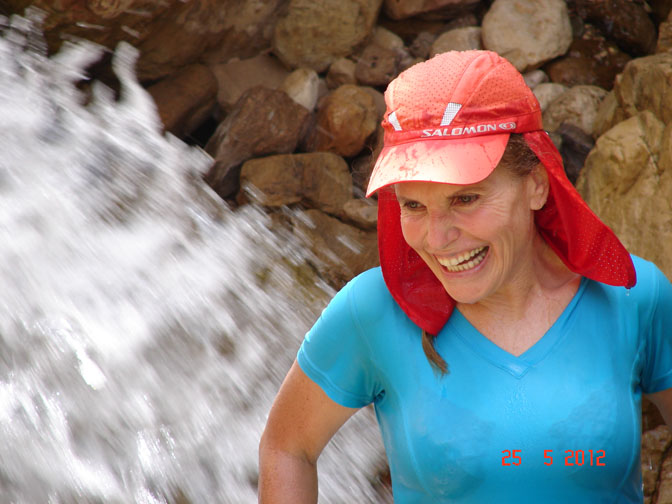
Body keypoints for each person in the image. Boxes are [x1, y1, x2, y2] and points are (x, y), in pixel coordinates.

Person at [258, 50, 672, 503]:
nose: (437, 238)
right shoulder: (372, 313)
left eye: (465, 200)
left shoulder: (634, 298)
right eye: (413, 205)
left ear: (536, 184)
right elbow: (287, 447)